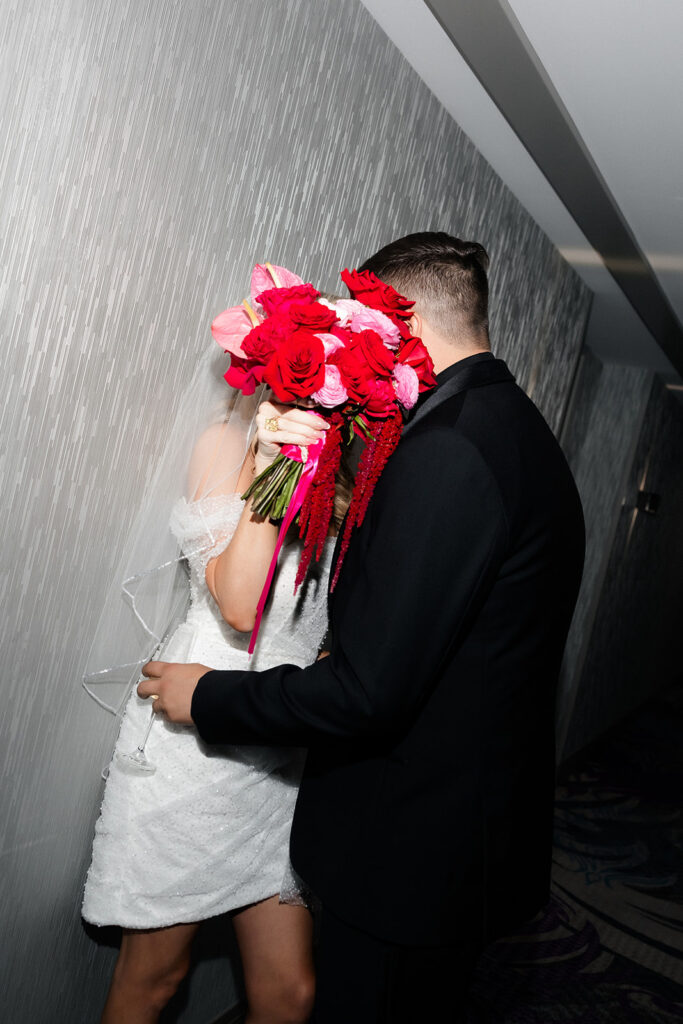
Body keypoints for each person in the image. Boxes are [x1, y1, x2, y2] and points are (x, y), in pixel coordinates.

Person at [140, 232, 586, 1023]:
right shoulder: (515, 432)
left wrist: (207, 698)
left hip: (412, 851)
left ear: (395, 323)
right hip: (466, 832)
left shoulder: (449, 450)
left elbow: (369, 692)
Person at [82, 373, 351, 1024]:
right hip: (191, 750)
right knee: (154, 980)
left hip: (279, 752)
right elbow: (238, 605)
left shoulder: (347, 476)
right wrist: (270, 466)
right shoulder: (227, 443)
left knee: (291, 995)